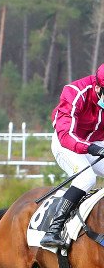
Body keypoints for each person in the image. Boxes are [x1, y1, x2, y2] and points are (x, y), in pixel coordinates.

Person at [41, 63, 104, 247]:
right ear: (98, 88)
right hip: (66, 143)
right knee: (87, 178)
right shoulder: (75, 92)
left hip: (96, 143)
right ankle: (54, 229)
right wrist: (91, 148)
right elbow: (65, 134)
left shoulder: (100, 92)